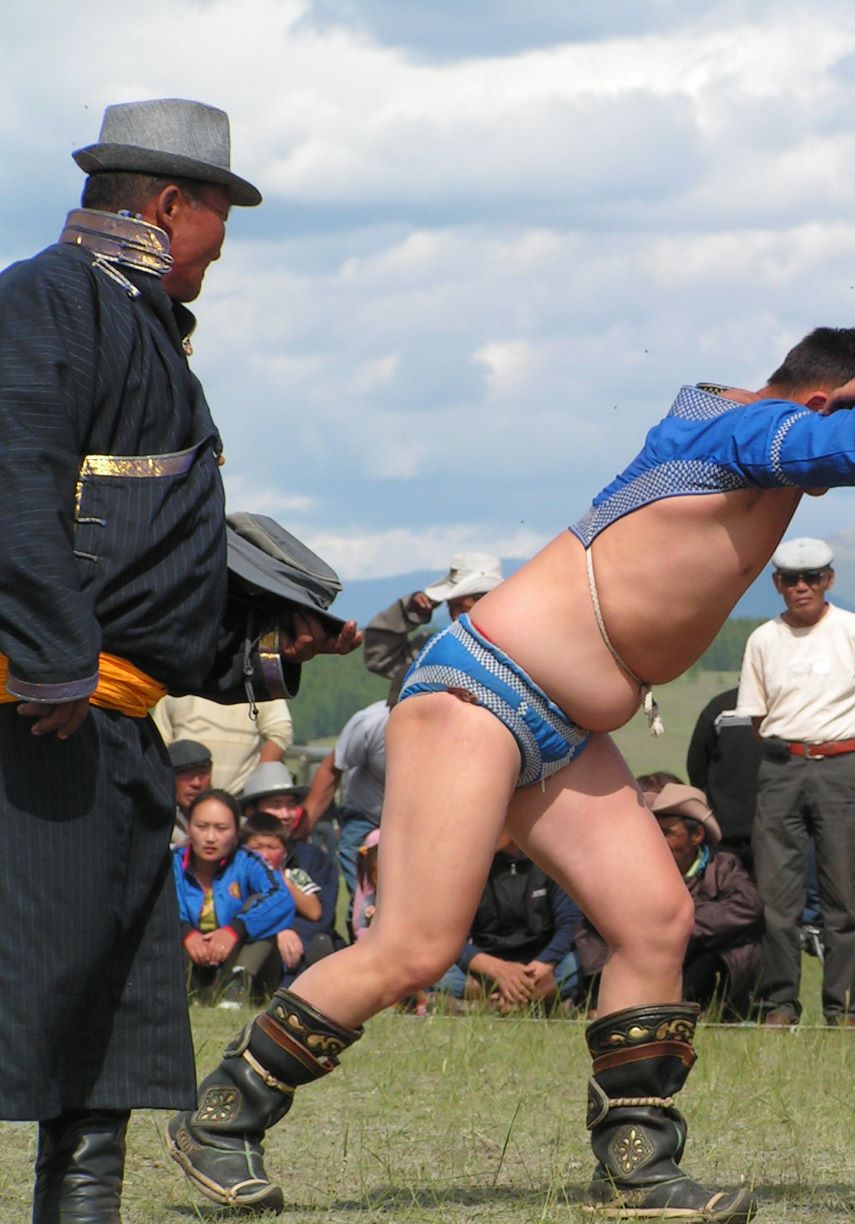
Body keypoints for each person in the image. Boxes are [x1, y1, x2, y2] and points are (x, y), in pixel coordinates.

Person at [167, 327, 855, 1219]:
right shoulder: (746, 434)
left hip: (560, 725)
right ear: (822, 401)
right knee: (414, 946)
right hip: (480, 696)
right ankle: (221, 1116)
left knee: (655, 919)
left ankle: (638, 1162)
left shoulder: (734, 422)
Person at [0, 98, 357, 1222]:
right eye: (218, 222)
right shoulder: (45, 301)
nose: (219, 252)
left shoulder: (143, 328)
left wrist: (265, 646)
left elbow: (144, 563)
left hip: (107, 728)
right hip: (35, 717)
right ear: (166, 206)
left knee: (104, 997)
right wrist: (52, 659)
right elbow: (12, 476)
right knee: (31, 983)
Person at [737, 537, 855, 1027]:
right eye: (791, 579)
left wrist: (838, 745)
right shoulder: (763, 639)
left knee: (842, 895)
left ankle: (844, 1007)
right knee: (776, 898)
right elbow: (757, 717)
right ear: (777, 583)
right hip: (781, 767)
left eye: (812, 577)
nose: (801, 587)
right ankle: (779, 1004)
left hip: (840, 767)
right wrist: (795, 745)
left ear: (829, 580)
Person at [433, 832, 584, 1014]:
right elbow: (450, 935)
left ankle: (502, 1002)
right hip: (486, 967)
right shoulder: (470, 866)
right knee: (432, 963)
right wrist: (498, 970)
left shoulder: (550, 861)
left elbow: (570, 925)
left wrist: (537, 968)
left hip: (540, 967)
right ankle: (528, 1000)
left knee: (584, 959)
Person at [649, 782, 763, 1019]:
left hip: (704, 959)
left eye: (668, 832)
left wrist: (683, 922)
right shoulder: (644, 868)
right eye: (655, 831)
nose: (659, 840)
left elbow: (748, 906)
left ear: (697, 835)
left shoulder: (723, 866)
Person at [173, 791, 296, 1006]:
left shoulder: (248, 861)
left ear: (237, 832)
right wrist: (185, 934)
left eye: (221, 828)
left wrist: (235, 929)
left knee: (260, 909)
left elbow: (281, 897)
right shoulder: (171, 863)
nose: (210, 837)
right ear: (189, 828)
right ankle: (189, 992)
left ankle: (237, 988)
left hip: (241, 959)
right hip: (187, 958)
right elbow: (153, 907)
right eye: (201, 827)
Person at [238, 761, 343, 986]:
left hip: (303, 947)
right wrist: (274, 931)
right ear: (250, 811)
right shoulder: (236, 858)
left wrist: (291, 930)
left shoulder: (312, 857)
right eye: (275, 805)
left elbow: (322, 915)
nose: (285, 814)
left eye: (291, 805)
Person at [363, 552, 503, 702]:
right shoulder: (432, 650)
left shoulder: (513, 652)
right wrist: (409, 612)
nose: (455, 617)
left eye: (463, 608)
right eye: (450, 607)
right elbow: (380, 658)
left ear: (489, 604)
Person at [304, 698, 388, 892]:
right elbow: (332, 769)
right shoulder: (369, 723)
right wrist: (303, 827)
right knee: (363, 897)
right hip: (365, 817)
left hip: (421, 823)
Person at [153, 693, 293, 795]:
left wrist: (256, 783)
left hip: (239, 797)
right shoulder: (176, 678)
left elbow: (280, 733)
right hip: (180, 801)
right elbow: (159, 742)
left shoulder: (256, 676)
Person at [686, 687, 760, 868]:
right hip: (724, 835)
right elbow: (697, 764)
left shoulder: (787, 706)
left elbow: (697, 765)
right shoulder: (722, 708)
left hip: (771, 833)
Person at [241, 811, 324, 925]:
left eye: (272, 848)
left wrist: (282, 881)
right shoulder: (236, 875)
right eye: (256, 848)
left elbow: (314, 913)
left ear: (285, 851)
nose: (264, 856)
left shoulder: (294, 875)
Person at [169, 738, 214, 844]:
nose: (196, 783)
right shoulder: (153, 818)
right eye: (187, 774)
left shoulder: (224, 813)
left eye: (202, 773)